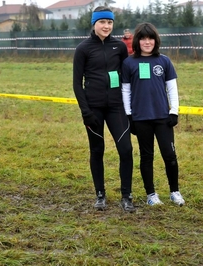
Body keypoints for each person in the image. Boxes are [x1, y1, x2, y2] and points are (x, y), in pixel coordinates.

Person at [72, 6, 135, 212]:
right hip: (94, 109)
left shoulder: (120, 47)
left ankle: (126, 195)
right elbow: (76, 83)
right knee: (97, 150)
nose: (106, 26)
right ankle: (100, 194)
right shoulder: (83, 49)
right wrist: (85, 111)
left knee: (125, 149)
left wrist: (131, 106)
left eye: (109, 22)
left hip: (116, 107)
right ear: (94, 23)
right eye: (102, 22)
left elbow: (126, 78)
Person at [121, 22, 185, 207]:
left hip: (163, 118)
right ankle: (151, 194)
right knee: (146, 157)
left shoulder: (164, 61)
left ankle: (175, 192)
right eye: (143, 38)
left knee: (170, 156)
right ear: (137, 41)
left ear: (155, 41)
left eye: (150, 38)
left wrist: (174, 111)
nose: (147, 42)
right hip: (141, 119)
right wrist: (129, 115)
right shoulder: (129, 63)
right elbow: (126, 91)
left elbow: (172, 88)